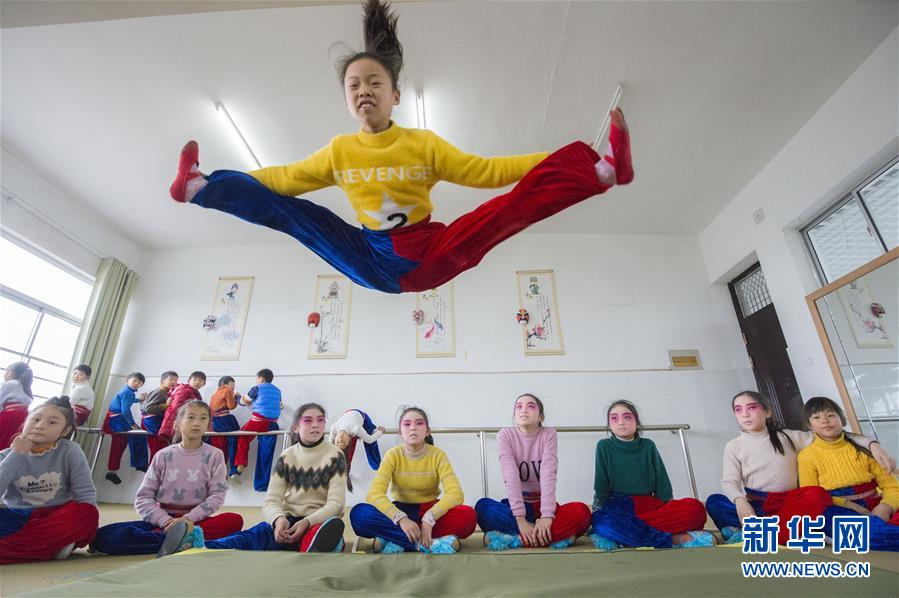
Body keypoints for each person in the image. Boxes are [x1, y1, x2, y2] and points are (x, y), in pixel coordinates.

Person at [169, 0, 633, 294]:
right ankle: (199, 187)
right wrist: (225, 182)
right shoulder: (339, 151)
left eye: (375, 82)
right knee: (295, 214)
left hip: (428, 251)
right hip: (370, 257)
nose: (363, 90)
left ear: (395, 95)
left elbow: (485, 171)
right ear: (347, 99)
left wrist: (549, 161)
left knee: (504, 210)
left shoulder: (421, 143)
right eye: (353, 84)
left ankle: (598, 171)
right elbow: (283, 179)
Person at [705, 391, 891, 545]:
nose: (745, 414)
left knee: (815, 495)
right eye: (738, 410)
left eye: (751, 408)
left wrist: (872, 444)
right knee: (714, 502)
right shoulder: (734, 445)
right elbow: (730, 482)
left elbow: (827, 433)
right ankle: (775, 530)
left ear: (767, 412)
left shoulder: (788, 436)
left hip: (790, 504)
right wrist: (739, 500)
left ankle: (761, 533)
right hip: (757, 506)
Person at [91, 400, 244, 557]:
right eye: (191, 417)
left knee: (234, 520)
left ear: (208, 425)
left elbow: (216, 497)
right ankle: (176, 539)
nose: (197, 423)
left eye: (203, 418)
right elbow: (144, 498)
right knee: (104, 535)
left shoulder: (215, 455)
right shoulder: (163, 455)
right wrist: (165, 521)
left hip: (194, 521)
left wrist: (187, 519)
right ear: (177, 424)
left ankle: (176, 538)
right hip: (162, 520)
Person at [206, 403, 346, 553]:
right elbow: (271, 501)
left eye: (320, 420)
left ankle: (316, 543)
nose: (315, 425)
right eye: (308, 421)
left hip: (317, 522)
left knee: (317, 535)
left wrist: (307, 522)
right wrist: (277, 520)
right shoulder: (287, 456)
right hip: (288, 520)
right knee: (246, 538)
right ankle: (199, 546)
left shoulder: (335, 455)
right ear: (295, 427)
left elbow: (336, 503)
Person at [350, 407, 476, 554]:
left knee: (469, 517)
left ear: (427, 431)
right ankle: (426, 544)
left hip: (430, 512)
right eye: (407, 424)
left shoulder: (438, 455)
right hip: (401, 511)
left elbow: (456, 494)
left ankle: (394, 538)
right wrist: (401, 519)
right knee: (359, 514)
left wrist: (429, 519)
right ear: (400, 432)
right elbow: (374, 494)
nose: (413, 428)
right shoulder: (393, 455)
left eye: (419, 423)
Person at [590, 400, 714, 550]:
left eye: (627, 417)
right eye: (614, 418)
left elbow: (662, 482)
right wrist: (600, 510)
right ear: (609, 424)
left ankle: (626, 536)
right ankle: (674, 539)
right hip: (619, 505)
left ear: (636, 422)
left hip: (649, 505)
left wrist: (666, 509)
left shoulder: (648, 445)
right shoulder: (604, 446)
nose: (621, 422)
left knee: (696, 509)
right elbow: (601, 484)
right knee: (602, 522)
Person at [476, 394, 591, 550]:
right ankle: (548, 537)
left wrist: (546, 517)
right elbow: (510, 476)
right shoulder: (506, 435)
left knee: (582, 511)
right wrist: (521, 520)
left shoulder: (548, 434)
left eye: (530, 406)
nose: (524, 410)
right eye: (519, 407)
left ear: (541, 416)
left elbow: (548, 475)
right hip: (516, 508)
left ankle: (516, 539)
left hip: (543, 506)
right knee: (483, 507)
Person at [0, 397, 98, 563]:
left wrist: (88, 523)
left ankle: (21, 547)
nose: (39, 425)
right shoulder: (6, 454)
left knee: (86, 513)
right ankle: (47, 547)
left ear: (65, 431)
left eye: (52, 422)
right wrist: (16, 454)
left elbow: (85, 492)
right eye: (35, 419)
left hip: (55, 515)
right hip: (17, 515)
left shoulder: (71, 451)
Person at [798, 397, 899, 551]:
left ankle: (859, 535)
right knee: (863, 531)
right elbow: (811, 496)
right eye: (816, 417)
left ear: (842, 420)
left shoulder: (864, 449)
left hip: (875, 504)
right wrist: (847, 504)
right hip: (837, 508)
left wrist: (886, 506)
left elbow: (892, 487)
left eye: (831, 415)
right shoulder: (807, 456)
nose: (825, 420)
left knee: (878, 525)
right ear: (809, 425)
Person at [233, 368, 282, 491]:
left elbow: (244, 402)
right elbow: (280, 405)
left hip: (259, 421)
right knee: (266, 454)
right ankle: (262, 485)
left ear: (261, 378)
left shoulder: (257, 388)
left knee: (242, 436)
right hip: (273, 424)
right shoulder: (278, 391)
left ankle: (239, 468)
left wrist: (237, 397)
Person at [103, 372, 149, 484]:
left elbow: (128, 401)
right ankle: (139, 464)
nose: (137, 383)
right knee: (135, 438)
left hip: (115, 419)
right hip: (118, 420)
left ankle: (113, 471)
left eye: (139, 382)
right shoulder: (128, 393)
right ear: (127, 380)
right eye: (135, 381)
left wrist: (139, 399)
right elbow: (125, 410)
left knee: (121, 444)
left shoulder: (127, 392)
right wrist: (132, 424)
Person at [158, 371, 206, 444]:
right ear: (189, 380)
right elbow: (176, 408)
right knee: (179, 449)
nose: (197, 382)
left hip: (183, 425)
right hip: (178, 426)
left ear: (204, 383)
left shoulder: (192, 392)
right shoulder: (184, 390)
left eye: (200, 380)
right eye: (195, 379)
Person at [142, 371, 179, 461]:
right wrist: (166, 405)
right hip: (152, 423)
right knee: (157, 450)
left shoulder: (165, 392)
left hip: (154, 423)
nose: (174, 382)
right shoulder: (160, 392)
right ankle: (154, 472)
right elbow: (149, 408)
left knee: (160, 450)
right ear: (162, 381)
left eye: (176, 380)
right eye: (171, 379)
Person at [208, 375, 241, 478]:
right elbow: (231, 406)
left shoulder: (213, 395)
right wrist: (236, 398)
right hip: (225, 419)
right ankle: (234, 470)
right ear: (224, 384)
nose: (233, 389)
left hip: (215, 422)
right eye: (232, 386)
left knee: (220, 446)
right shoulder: (227, 391)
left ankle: (219, 472)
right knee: (236, 440)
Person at [0, 362, 33, 450]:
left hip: (10, 415)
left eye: (6, 371)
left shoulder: (10, 384)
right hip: (24, 418)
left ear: (11, 373)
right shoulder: (26, 388)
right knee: (9, 443)